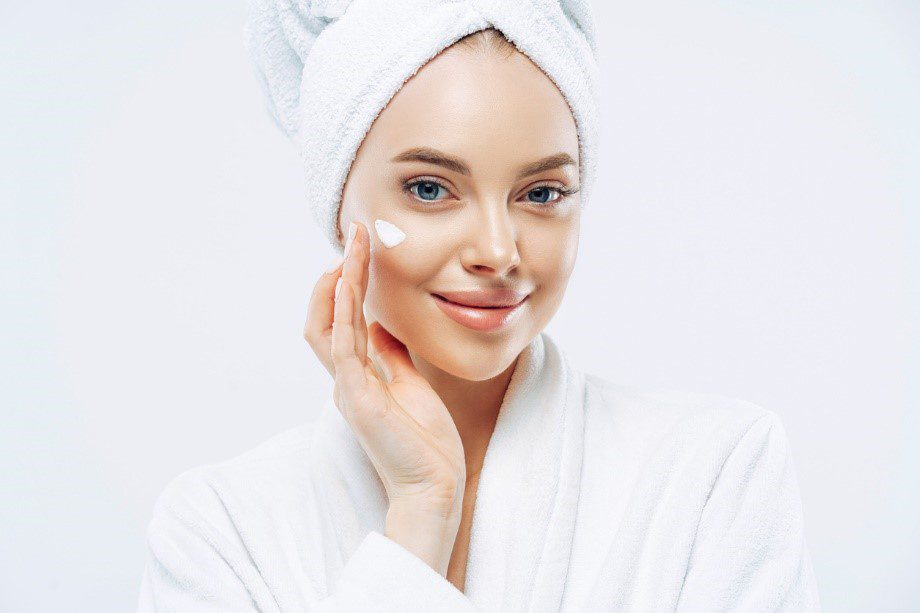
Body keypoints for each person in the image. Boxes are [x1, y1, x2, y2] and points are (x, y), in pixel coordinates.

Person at [138, 1, 821, 610]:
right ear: (339, 204)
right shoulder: (222, 529)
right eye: (431, 189)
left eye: (542, 193)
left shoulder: (714, 474)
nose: (498, 249)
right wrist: (420, 512)